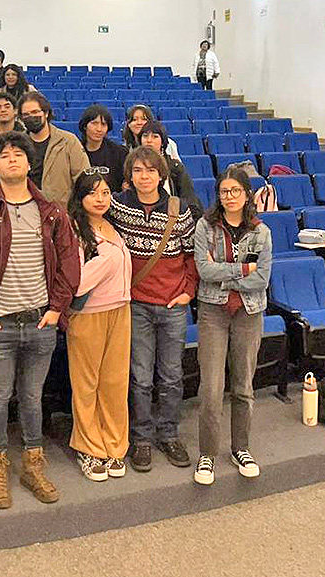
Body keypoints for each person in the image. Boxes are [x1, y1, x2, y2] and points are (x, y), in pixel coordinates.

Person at [0, 131, 80, 509]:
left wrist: (57, 308)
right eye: (4, 155)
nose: (11, 159)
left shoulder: (52, 211)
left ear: (29, 163)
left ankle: (32, 464)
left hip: (40, 321)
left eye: (18, 154)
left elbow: (69, 263)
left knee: (31, 398)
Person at [108, 146, 199, 473]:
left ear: (161, 175)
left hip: (173, 305)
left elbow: (191, 256)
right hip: (137, 305)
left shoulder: (180, 210)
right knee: (141, 377)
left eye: (150, 171)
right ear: (129, 176)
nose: (143, 177)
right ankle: (142, 438)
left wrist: (188, 292)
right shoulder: (117, 206)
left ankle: (169, 433)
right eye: (137, 171)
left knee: (172, 376)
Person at [193, 167, 271, 485]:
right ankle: (208, 455)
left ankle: (242, 448)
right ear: (219, 195)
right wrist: (242, 269)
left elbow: (262, 278)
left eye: (235, 191)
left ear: (246, 194)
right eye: (224, 191)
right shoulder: (205, 227)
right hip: (213, 312)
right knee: (211, 389)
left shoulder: (260, 231)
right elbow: (203, 270)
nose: (230, 196)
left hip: (249, 313)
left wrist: (223, 268)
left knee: (243, 387)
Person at [65, 170, 132, 482]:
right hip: (89, 315)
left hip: (120, 310)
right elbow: (76, 283)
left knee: (115, 382)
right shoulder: (73, 229)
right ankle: (89, 448)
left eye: (106, 193)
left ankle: (115, 445)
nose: (101, 199)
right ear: (81, 198)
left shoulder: (112, 225)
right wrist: (107, 260)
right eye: (93, 194)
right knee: (86, 383)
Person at [18, 92, 91, 205]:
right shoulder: (17, 144)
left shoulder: (68, 141)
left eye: (35, 112)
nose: (31, 117)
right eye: (26, 115)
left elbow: (84, 179)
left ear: (46, 113)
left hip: (61, 212)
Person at [138, 121, 203, 213]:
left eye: (155, 136)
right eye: (145, 136)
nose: (149, 140)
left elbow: (189, 198)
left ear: (162, 142)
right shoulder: (132, 165)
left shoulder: (175, 167)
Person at [79, 104, 128, 194]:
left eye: (103, 124)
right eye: (94, 123)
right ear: (85, 126)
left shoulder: (119, 153)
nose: (99, 129)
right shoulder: (75, 150)